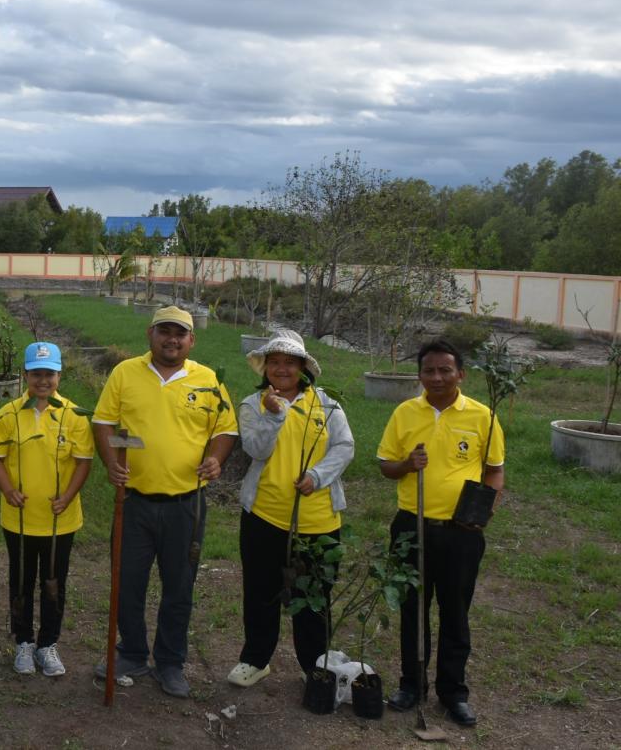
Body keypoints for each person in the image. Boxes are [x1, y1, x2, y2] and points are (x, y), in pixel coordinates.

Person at [92, 305, 238, 698]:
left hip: (186, 505)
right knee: (127, 582)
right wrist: (111, 465)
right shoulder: (125, 373)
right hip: (134, 501)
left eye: (180, 333)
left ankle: (171, 662)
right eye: (164, 332)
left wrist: (216, 458)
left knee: (179, 586)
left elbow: (225, 430)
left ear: (192, 340)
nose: (171, 339)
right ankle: (132, 652)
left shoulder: (208, 381)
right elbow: (103, 422)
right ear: (150, 334)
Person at [378, 340, 504, 728]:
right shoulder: (405, 412)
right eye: (429, 370)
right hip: (412, 527)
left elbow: (494, 470)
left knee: (455, 612)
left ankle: (453, 693)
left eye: (445, 370)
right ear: (420, 375)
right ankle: (412, 685)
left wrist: (483, 512)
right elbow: (385, 464)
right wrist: (406, 464)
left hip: (462, 533)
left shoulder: (482, 416)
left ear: (460, 374)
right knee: (413, 610)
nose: (436, 377)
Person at [227, 330, 352, 688]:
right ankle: (256, 659)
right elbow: (256, 450)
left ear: (303, 368)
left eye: (290, 363)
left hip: (318, 519)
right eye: (275, 362)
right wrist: (273, 415)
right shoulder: (253, 405)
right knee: (260, 590)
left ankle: (313, 662)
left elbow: (344, 447)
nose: (282, 369)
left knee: (313, 595)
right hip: (265, 515)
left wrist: (317, 476)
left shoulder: (327, 405)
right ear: (265, 368)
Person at [0, 341, 92, 677]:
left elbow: (83, 463)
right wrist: (7, 490)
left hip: (59, 520)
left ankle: (48, 644)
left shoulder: (74, 416)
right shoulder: (8, 414)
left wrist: (68, 496)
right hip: (18, 518)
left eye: (49, 374)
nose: (42, 380)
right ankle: (23, 642)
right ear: (25, 375)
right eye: (35, 374)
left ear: (59, 375)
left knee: (53, 581)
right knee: (20, 580)